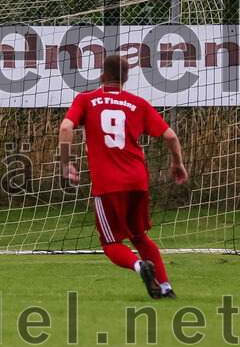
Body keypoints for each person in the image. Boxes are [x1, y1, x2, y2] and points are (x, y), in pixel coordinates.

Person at [59, 54, 188, 299]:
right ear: (127, 78)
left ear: (102, 76)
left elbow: (66, 127)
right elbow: (170, 136)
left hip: (108, 185)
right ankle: (165, 288)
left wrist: (66, 165)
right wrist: (177, 163)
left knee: (110, 243)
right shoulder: (138, 104)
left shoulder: (86, 100)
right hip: (138, 181)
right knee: (139, 236)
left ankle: (140, 266)